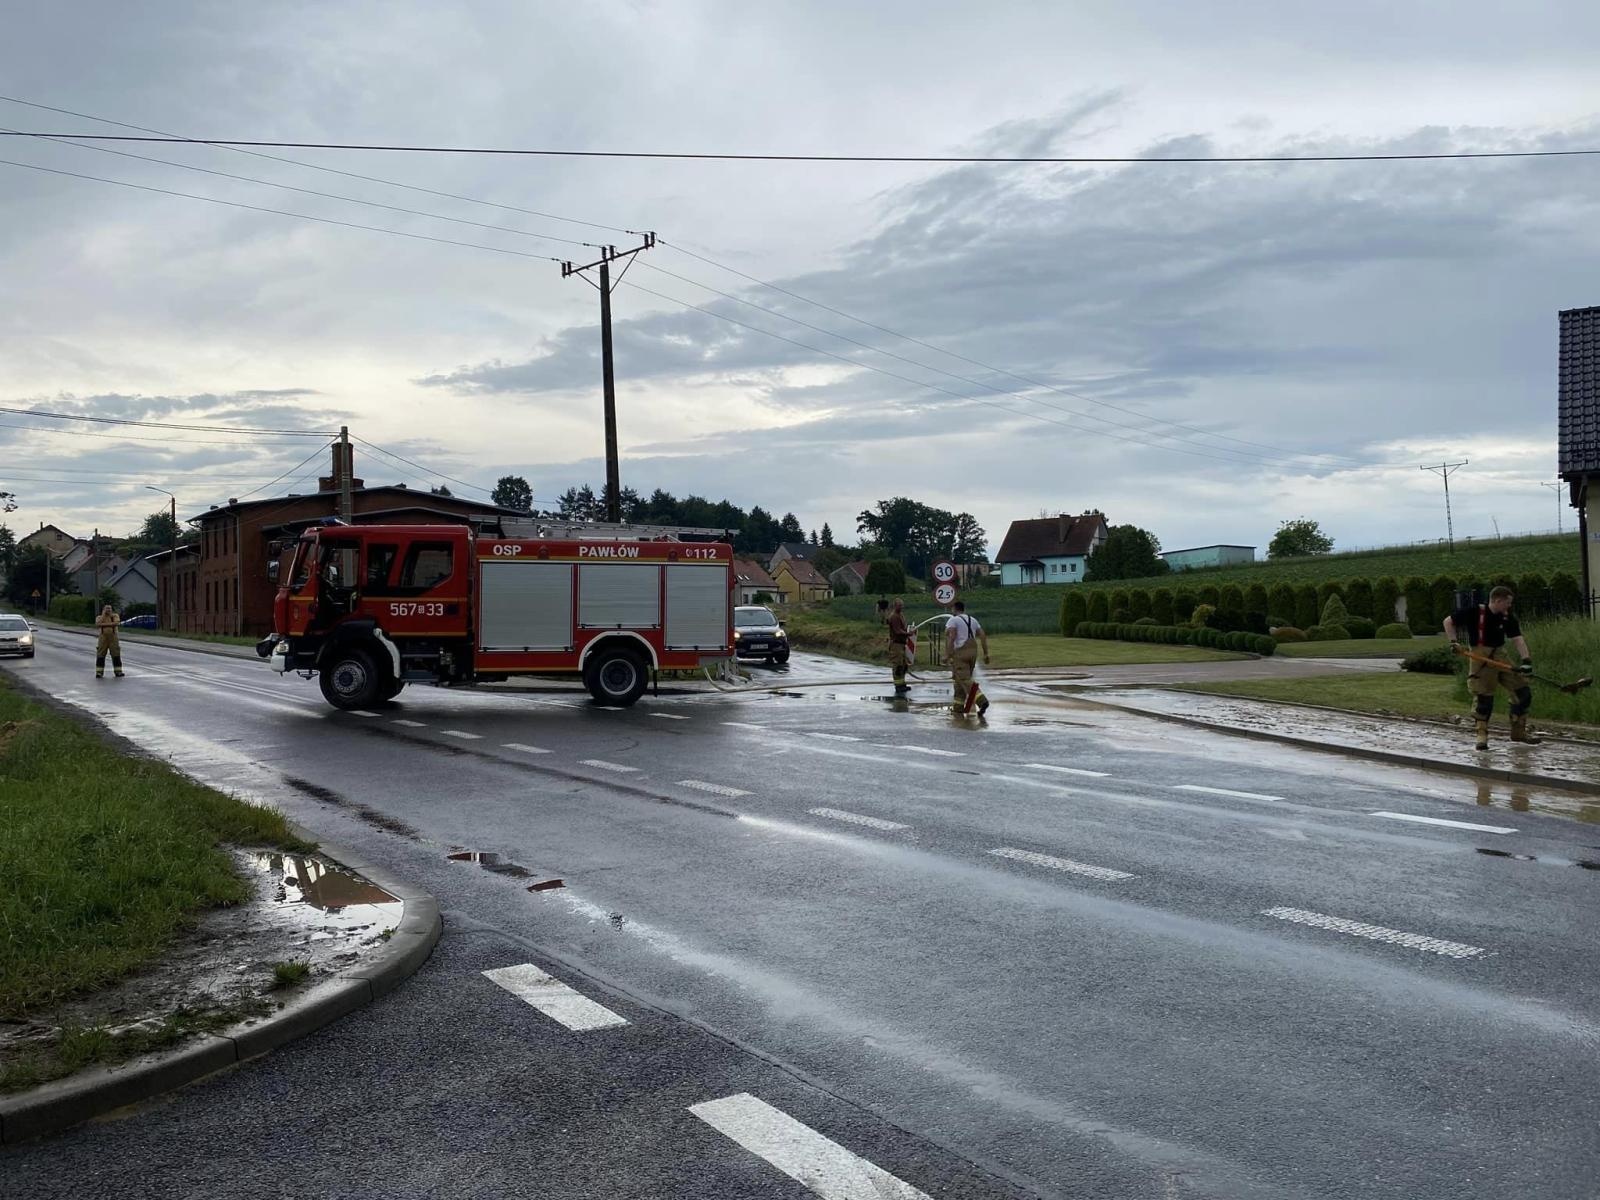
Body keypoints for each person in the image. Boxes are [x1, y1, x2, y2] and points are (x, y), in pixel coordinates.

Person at [1443, 585, 1536, 750]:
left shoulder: (1507, 617)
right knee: (1484, 698)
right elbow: (1448, 622)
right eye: (1507, 603)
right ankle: (1481, 735)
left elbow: (1517, 639)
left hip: (1500, 655)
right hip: (1481, 658)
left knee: (1523, 691)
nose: (1509, 606)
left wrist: (1526, 660)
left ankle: (1518, 732)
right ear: (1498, 600)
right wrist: (1453, 642)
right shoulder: (1475, 612)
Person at [945, 600, 991, 715]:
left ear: (954, 609)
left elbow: (952, 637)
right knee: (959, 680)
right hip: (972, 652)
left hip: (960, 654)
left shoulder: (953, 620)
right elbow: (983, 636)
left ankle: (982, 700)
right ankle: (958, 707)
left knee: (964, 680)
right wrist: (986, 654)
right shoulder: (973, 620)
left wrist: (948, 654)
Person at [886, 599, 911, 694]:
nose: (901, 607)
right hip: (896, 644)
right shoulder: (894, 617)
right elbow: (897, 631)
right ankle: (898, 685)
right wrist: (908, 634)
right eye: (899, 605)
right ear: (895, 606)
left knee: (904, 665)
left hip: (901, 644)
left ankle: (902, 683)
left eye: (902, 605)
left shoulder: (901, 615)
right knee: (898, 665)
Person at [94, 604, 124, 679]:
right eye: (106, 609)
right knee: (101, 654)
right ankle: (99, 672)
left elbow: (116, 623)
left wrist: (103, 624)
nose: (108, 610)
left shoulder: (115, 616)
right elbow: (98, 624)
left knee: (116, 654)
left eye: (110, 608)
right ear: (103, 609)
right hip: (103, 637)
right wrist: (104, 616)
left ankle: (118, 671)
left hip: (113, 637)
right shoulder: (99, 617)